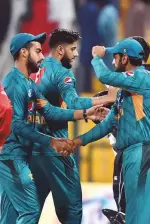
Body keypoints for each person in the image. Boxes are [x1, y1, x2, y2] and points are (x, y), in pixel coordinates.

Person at [0, 32, 106, 224]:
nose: (42, 57)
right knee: (41, 210)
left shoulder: (30, 83)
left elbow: (49, 110)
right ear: (24, 53)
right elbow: (16, 124)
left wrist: (86, 114)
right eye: (38, 51)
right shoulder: (16, 83)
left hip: (28, 155)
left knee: (14, 214)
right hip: (15, 156)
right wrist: (109, 98)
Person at [27, 28, 115, 224]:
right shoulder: (62, 73)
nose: (76, 54)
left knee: (30, 210)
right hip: (57, 151)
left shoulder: (34, 71)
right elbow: (74, 102)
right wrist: (104, 99)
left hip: (34, 150)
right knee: (73, 211)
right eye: (73, 49)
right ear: (60, 49)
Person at [70, 38, 150, 224]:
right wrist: (76, 142)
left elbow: (105, 76)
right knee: (136, 217)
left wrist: (96, 57)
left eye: (116, 57)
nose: (113, 61)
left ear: (125, 58)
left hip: (141, 152)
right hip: (138, 152)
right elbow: (105, 126)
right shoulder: (125, 92)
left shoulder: (139, 76)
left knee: (136, 218)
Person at [101, 35, 150, 224]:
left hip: (133, 151)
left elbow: (105, 109)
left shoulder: (126, 81)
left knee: (127, 212)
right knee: (148, 210)